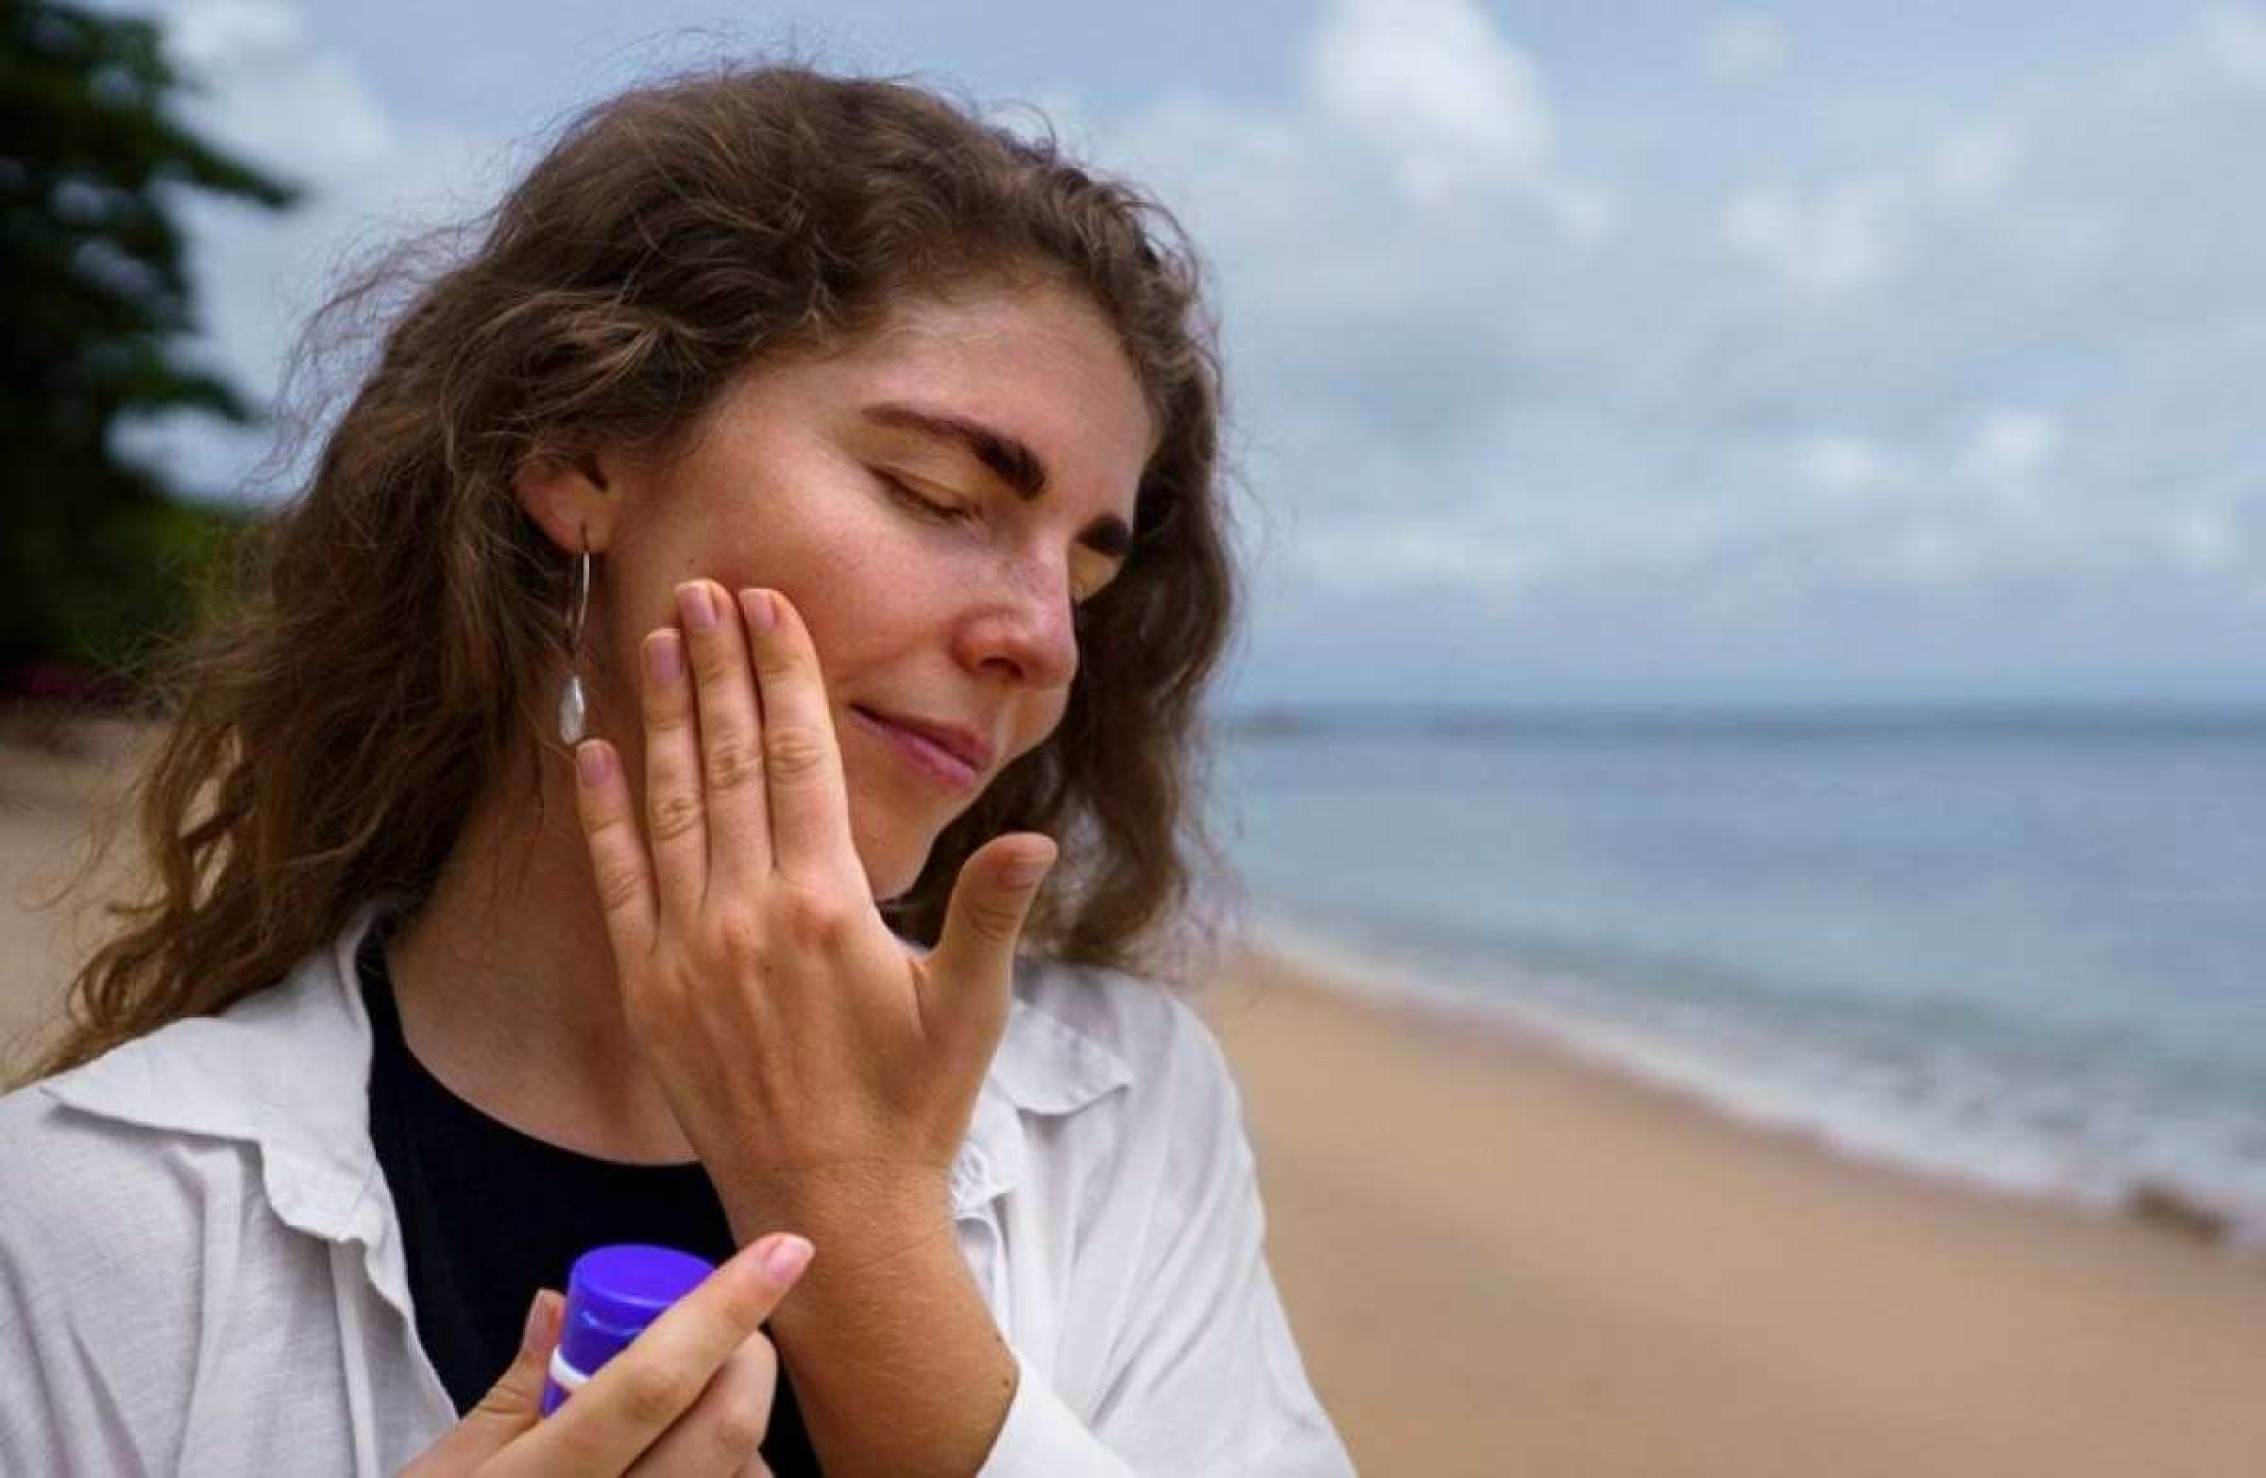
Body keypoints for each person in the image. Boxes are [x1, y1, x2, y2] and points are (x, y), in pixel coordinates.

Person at [0, 61, 1356, 1477]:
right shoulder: (84, 1213)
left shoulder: (1125, 1114)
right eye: (939, 497)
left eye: (1086, 566)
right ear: (581, 453)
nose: (1042, 642)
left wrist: (849, 1206)